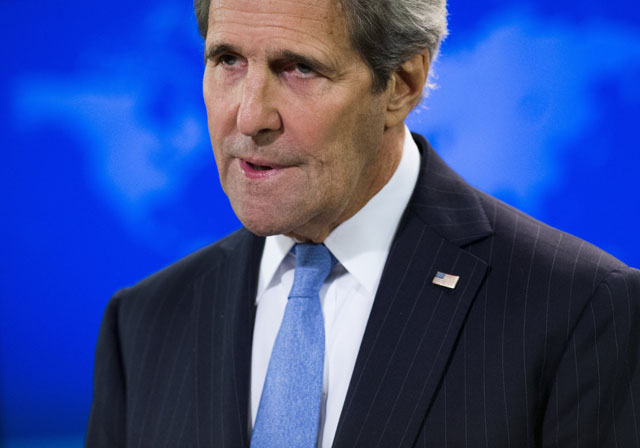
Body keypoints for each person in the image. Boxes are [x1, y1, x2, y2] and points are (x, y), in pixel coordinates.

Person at [86, 0, 640, 446]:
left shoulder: (581, 309)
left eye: (298, 68)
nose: (250, 116)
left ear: (402, 82)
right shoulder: (141, 326)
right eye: (228, 60)